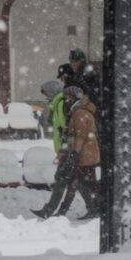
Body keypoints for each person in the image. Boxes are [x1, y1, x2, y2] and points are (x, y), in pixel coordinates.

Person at [32, 86, 99, 220]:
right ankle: (92, 208)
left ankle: (55, 211)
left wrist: (73, 154)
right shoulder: (77, 110)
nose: (66, 100)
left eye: (68, 97)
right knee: (78, 183)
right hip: (81, 153)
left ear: (73, 98)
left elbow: (80, 136)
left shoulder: (79, 112)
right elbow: (71, 134)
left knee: (68, 181)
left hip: (81, 154)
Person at [40, 79, 66, 153]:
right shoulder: (56, 105)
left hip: (64, 149)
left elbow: (63, 126)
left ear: (52, 93)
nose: (46, 98)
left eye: (47, 95)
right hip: (62, 148)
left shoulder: (60, 104)